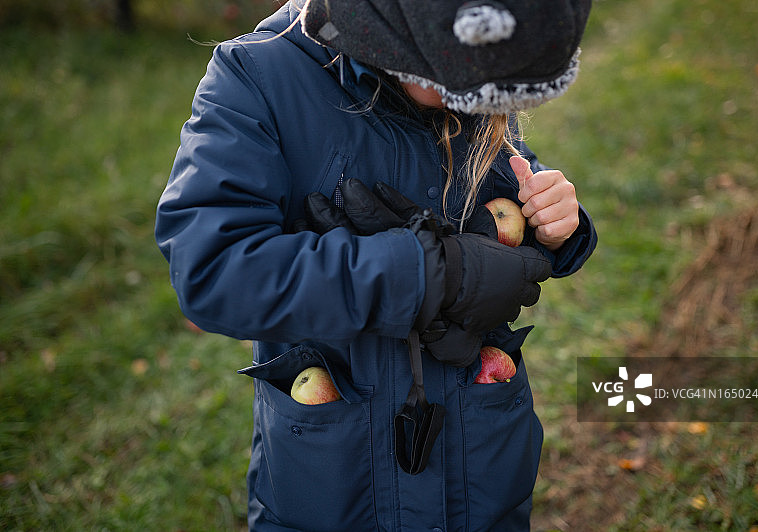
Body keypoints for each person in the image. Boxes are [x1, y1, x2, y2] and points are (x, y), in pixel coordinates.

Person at [155, 0, 597, 530]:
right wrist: (428, 274)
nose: (477, 99)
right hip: (336, 482)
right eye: (463, 85)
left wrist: (557, 221)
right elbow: (214, 269)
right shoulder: (260, 77)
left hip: (478, 465)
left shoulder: (474, 85)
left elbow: (511, 183)